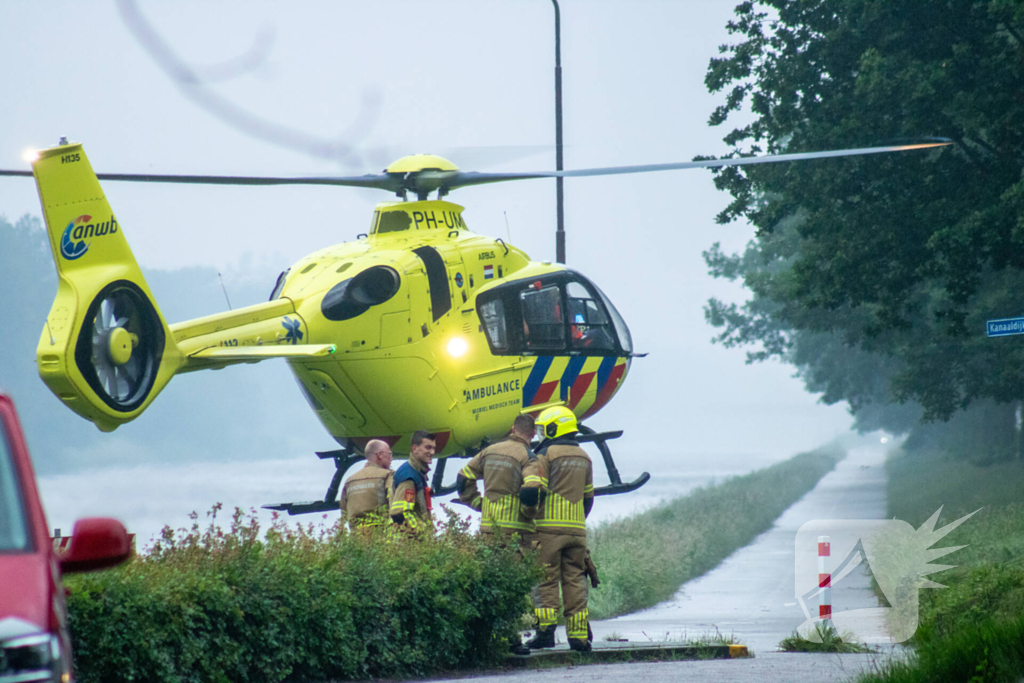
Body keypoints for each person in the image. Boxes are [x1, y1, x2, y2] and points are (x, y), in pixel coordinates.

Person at [456, 414, 540, 657]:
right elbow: (531, 491)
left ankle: (491, 638)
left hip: (488, 530)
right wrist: (528, 513)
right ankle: (512, 641)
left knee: (491, 582)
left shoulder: (489, 451)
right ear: (532, 433)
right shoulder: (528, 457)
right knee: (511, 587)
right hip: (515, 534)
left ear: (512, 428)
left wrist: (477, 504)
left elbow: (463, 479)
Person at [523, 406, 594, 653]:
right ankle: (579, 637)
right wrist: (576, 522)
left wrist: (529, 518)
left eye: (544, 429)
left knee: (545, 579)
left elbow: (534, 491)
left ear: (554, 428)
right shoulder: (585, 456)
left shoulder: (545, 455)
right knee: (575, 580)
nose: (541, 434)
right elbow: (588, 499)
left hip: (547, 530)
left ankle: (545, 633)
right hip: (577, 532)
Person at [339, 440, 394, 531]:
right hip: (381, 535)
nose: (391, 458)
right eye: (390, 454)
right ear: (380, 455)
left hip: (356, 538)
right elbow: (394, 505)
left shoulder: (350, 481)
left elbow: (343, 514)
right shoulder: (388, 476)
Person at [389, 430, 436, 532]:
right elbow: (401, 512)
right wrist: (423, 533)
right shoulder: (409, 476)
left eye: (433, 448)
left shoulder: (417, 472)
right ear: (415, 449)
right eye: (428, 447)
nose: (432, 452)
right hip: (409, 543)